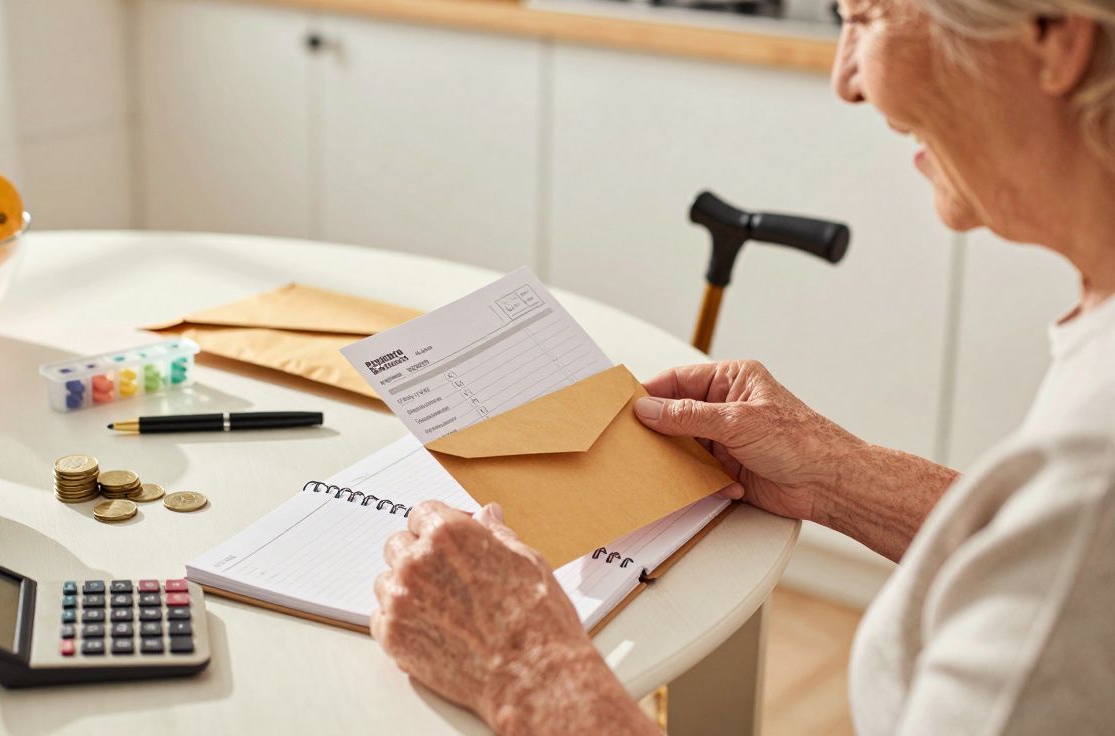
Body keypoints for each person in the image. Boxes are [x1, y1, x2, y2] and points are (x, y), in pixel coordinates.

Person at [369, 0, 1115, 733]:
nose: (845, 79)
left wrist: (527, 671)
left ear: (1050, 36)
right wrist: (834, 472)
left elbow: (1068, 553)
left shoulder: (1092, 475)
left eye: (865, 16)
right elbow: (1066, 575)